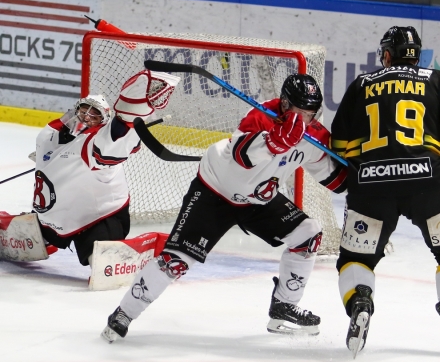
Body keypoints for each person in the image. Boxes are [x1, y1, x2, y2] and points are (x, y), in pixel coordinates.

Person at [101, 73, 348, 343]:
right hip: (214, 192)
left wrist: (367, 177)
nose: (303, 119)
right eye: (298, 111)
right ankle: (124, 313)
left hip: (258, 199)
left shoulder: (314, 135)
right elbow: (241, 156)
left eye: (309, 113)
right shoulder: (262, 115)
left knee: (307, 233)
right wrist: (274, 142)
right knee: (176, 261)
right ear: (285, 105)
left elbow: (337, 182)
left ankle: (283, 307)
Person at [330, 26, 440, 355]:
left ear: (387, 54)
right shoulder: (435, 80)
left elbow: (340, 147)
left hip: (372, 185)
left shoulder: (361, 84)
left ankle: (360, 302)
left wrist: (363, 179)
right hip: (429, 181)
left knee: (356, 260)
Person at [33, 69, 181, 266]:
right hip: (59, 212)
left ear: (103, 122)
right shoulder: (51, 135)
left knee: (101, 255)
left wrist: (127, 121)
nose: (86, 117)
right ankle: (45, 234)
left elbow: (109, 144)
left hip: (98, 215)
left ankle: (130, 253)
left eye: (94, 115)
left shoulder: (94, 143)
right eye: (84, 110)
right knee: (50, 222)